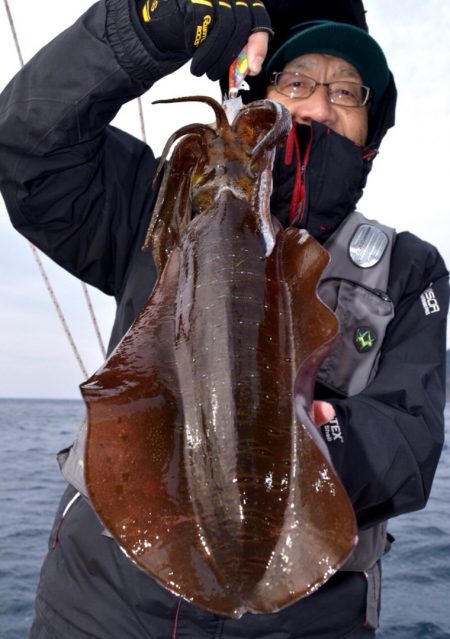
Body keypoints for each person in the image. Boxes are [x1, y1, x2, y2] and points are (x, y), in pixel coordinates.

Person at [0, 0, 447, 637]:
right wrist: (147, 28)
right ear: (260, 93)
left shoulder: (407, 268)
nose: (320, 105)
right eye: (297, 83)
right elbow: (28, 148)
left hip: (306, 616)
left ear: (371, 129)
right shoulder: (157, 207)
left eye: (347, 90)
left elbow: (407, 444)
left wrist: (291, 437)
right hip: (104, 604)